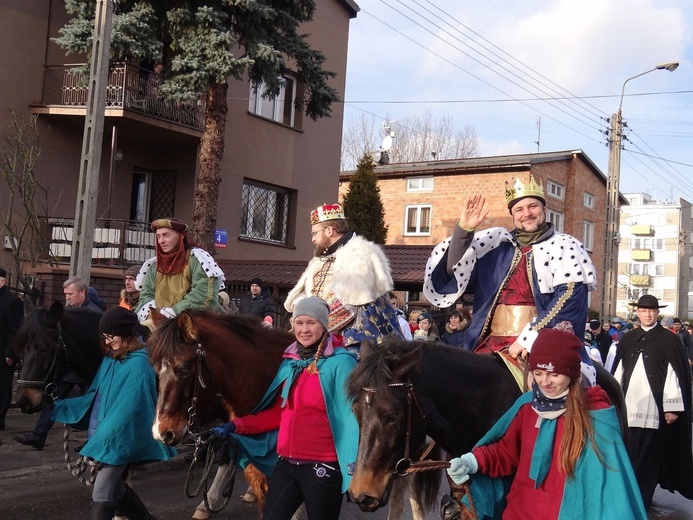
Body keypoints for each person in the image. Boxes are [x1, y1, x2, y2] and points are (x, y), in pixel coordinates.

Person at [446, 327, 647, 519]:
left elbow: (610, 491)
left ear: (571, 374)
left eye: (554, 374)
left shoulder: (596, 416)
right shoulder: (527, 405)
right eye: (539, 373)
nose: (545, 382)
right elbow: (507, 452)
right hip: (520, 512)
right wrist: (472, 461)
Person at [422, 177, 597, 383]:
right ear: (513, 215)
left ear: (544, 209)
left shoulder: (565, 246)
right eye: (519, 209)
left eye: (533, 206)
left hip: (540, 343)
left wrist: (531, 337)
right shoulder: (496, 246)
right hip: (487, 343)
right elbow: (455, 272)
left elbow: (569, 298)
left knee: (557, 393)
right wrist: (464, 232)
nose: (527, 213)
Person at [213, 296, 358, 519]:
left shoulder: (341, 362)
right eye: (299, 323)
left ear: (324, 325)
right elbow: (279, 414)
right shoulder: (290, 362)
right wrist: (236, 426)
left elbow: (353, 418)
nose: (305, 329)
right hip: (287, 464)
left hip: (323, 467)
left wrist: (356, 464)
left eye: (311, 323)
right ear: (292, 325)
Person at [52, 307, 175, 519]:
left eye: (111, 336)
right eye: (104, 337)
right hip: (104, 438)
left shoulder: (139, 364)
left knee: (102, 492)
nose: (108, 342)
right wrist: (60, 405)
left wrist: (103, 441)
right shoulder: (112, 359)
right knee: (115, 489)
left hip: (118, 441)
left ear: (126, 334)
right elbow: (94, 396)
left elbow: (130, 408)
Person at [612, 295, 693, 509]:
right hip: (629, 407)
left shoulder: (670, 340)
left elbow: (674, 375)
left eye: (652, 311)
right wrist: (613, 400)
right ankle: (628, 497)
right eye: (643, 310)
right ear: (637, 313)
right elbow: (618, 372)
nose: (647, 314)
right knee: (629, 454)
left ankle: (642, 501)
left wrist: (672, 407)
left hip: (655, 411)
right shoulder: (629, 338)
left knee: (649, 457)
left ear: (657, 313)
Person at [284, 203, 401, 351]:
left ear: (329, 231)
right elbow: (304, 294)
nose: (312, 239)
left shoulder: (360, 253)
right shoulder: (321, 260)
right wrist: (300, 312)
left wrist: (312, 322)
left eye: (314, 233)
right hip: (320, 332)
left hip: (358, 337)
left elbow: (346, 303)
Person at [14, 276, 103, 449]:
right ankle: (38, 435)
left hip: (84, 368)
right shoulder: (67, 313)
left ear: (82, 292)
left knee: (96, 403)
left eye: (71, 294)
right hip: (71, 369)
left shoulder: (92, 314)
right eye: (66, 294)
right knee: (54, 399)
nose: (67, 298)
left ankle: (94, 439)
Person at [135, 218, 225, 322]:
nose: (161, 241)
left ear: (180, 236)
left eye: (166, 235)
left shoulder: (198, 259)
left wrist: (174, 311)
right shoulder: (154, 265)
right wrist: (158, 314)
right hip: (161, 322)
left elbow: (203, 294)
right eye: (158, 236)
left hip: (195, 321)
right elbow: (146, 295)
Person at [0, 268, 23, 430]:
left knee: (2, 387)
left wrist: (11, 353)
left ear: (2, 281)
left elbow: (16, 330)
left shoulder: (11, 300)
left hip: (3, 352)